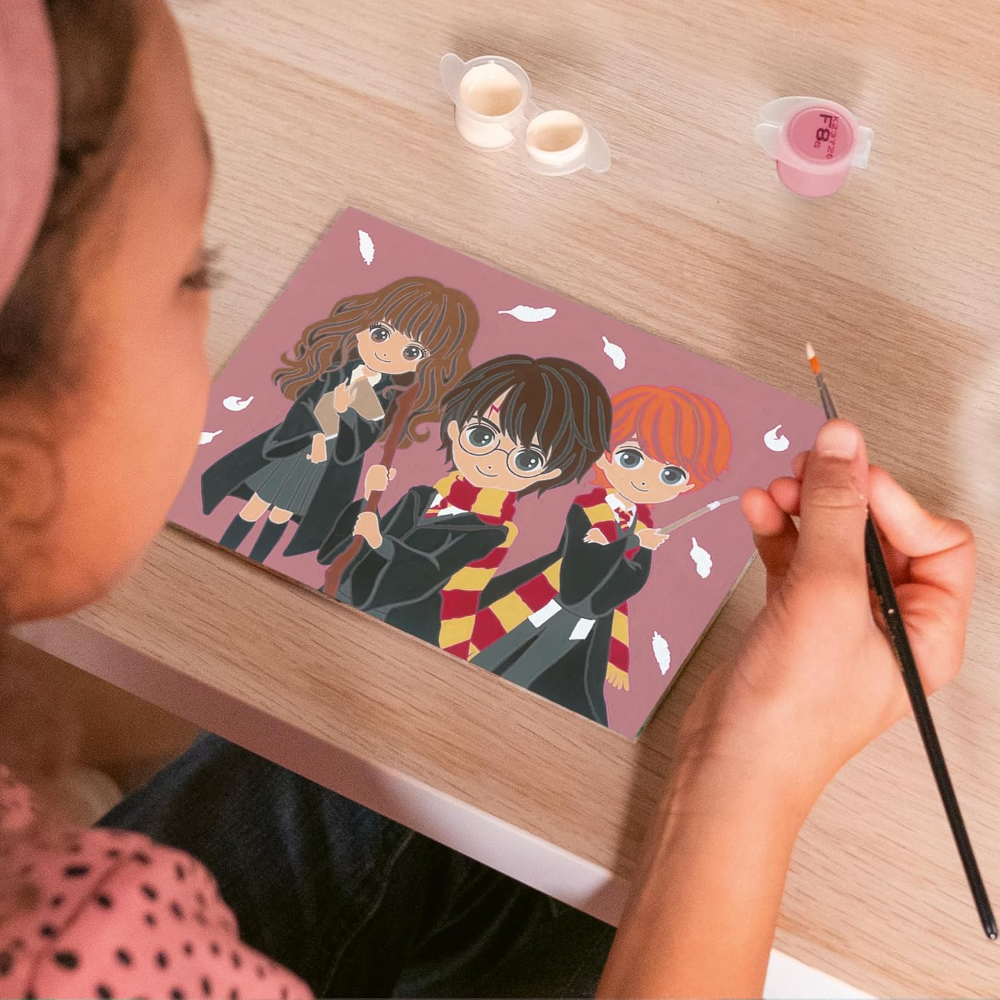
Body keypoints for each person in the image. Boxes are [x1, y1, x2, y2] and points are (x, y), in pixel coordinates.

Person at [0, 2, 976, 998]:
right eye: (191, 271)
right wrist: (754, 762)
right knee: (572, 880)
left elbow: (520, 583)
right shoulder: (87, 945)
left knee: (401, 782)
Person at [470, 385, 733, 726]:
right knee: (497, 655)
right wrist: (630, 543)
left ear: (687, 486)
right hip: (547, 600)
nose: (645, 479)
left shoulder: (643, 526)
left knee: (548, 686)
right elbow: (578, 573)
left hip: (589, 622)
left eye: (670, 474)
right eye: (631, 458)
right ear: (605, 456)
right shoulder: (588, 508)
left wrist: (642, 548)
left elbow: (631, 582)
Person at [318, 354, 612, 657]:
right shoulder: (421, 496)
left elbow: (428, 573)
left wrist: (379, 540)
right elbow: (362, 541)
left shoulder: (491, 531)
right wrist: (370, 499)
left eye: (526, 459)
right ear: (456, 429)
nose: (493, 460)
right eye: (482, 436)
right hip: (345, 596)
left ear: (549, 473)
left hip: (401, 628)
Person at [201, 278, 480, 565]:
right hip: (296, 448)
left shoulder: (384, 398)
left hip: (329, 465)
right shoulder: (336, 373)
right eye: (381, 334)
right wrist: (319, 429)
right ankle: (227, 545)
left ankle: (255, 558)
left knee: (281, 515)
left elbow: (365, 437)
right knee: (256, 504)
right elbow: (304, 406)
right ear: (362, 327)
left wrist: (344, 417)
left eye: (411, 351)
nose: (387, 351)